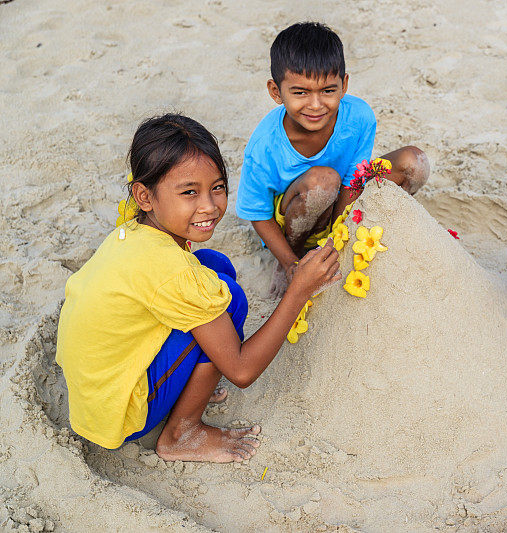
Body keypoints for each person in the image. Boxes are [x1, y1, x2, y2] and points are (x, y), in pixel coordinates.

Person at [56, 114, 341, 462]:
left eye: (217, 187)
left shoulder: (134, 231)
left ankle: (190, 388)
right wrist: (298, 290)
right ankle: (181, 433)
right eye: (189, 192)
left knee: (213, 265)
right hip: (120, 412)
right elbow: (241, 371)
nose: (209, 206)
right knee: (230, 300)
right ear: (145, 196)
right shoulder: (171, 270)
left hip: (95, 386)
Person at [236, 21, 430, 296]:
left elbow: (354, 178)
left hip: (341, 199)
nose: (316, 105)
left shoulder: (359, 117)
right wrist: (290, 262)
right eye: (300, 92)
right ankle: (297, 254)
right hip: (296, 213)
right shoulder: (264, 145)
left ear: (344, 85)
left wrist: (337, 243)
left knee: (414, 162)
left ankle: (365, 232)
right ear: (276, 92)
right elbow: (257, 214)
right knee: (323, 180)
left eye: (328, 90)